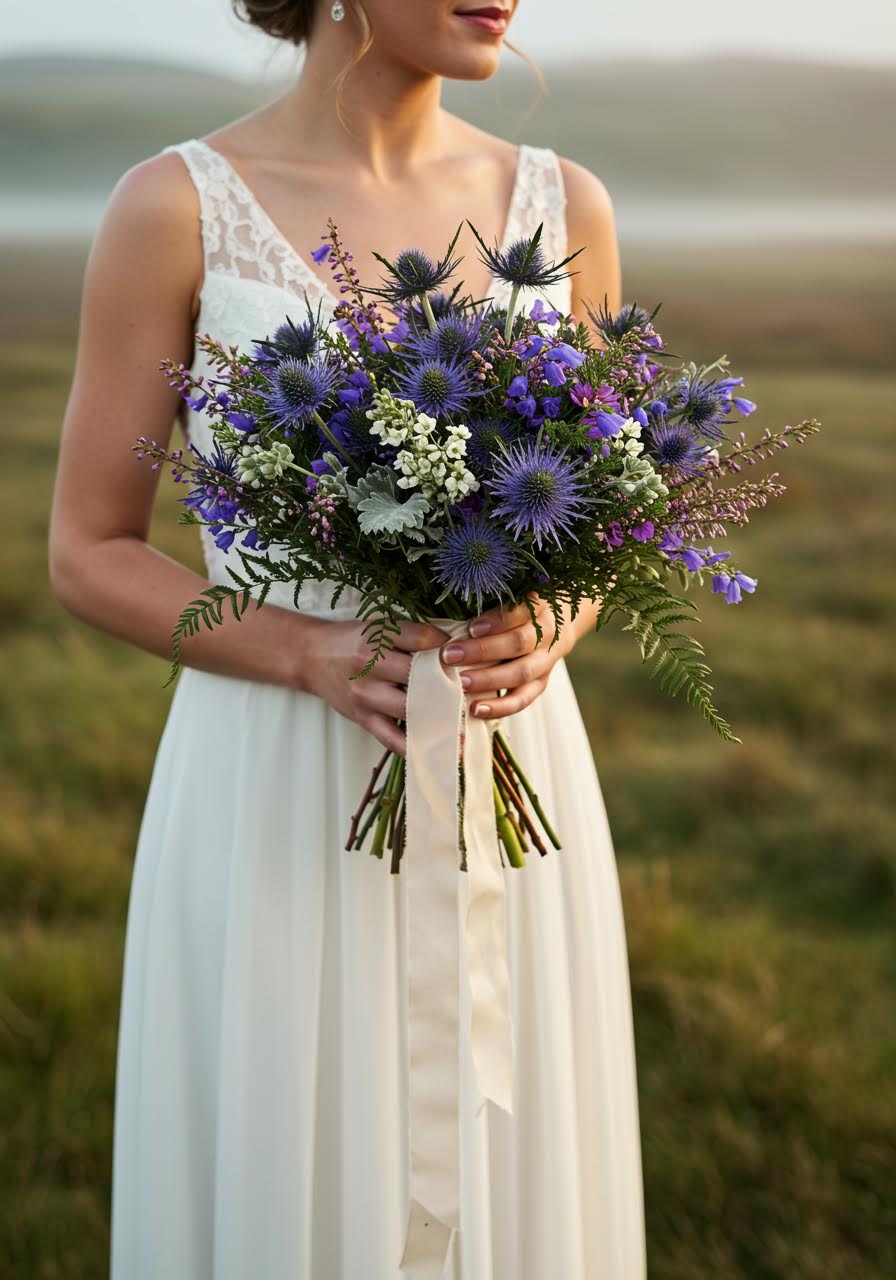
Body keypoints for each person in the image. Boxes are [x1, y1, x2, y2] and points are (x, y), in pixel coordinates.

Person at [48, 1, 647, 1275]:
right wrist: (305, 650)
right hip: (274, 782)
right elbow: (88, 549)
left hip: (507, 772)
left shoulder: (564, 203)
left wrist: (554, 613)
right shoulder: (174, 208)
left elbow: (610, 516)